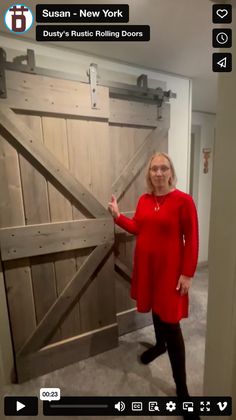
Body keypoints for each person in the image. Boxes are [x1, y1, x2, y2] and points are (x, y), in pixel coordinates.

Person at [108, 152, 200, 420]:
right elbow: (139, 227)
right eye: (154, 169)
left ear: (171, 172)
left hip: (171, 273)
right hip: (149, 271)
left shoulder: (183, 202)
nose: (158, 173)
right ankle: (159, 346)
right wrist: (117, 216)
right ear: (149, 174)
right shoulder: (144, 200)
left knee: (172, 324)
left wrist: (187, 274)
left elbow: (192, 239)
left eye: (163, 168)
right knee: (156, 311)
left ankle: (182, 392)